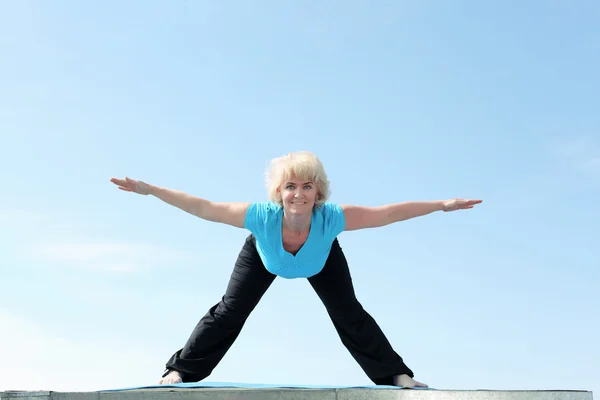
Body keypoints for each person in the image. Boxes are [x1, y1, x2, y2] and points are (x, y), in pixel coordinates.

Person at [110, 151, 481, 388]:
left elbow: (388, 213)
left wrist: (441, 205)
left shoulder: (332, 220)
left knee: (349, 313)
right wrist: (151, 189)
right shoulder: (259, 217)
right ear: (279, 192)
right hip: (265, 255)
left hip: (319, 257)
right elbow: (204, 207)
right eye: (290, 186)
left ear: (318, 193)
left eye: (307, 186)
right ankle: (181, 371)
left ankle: (396, 374)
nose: (298, 194)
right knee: (229, 311)